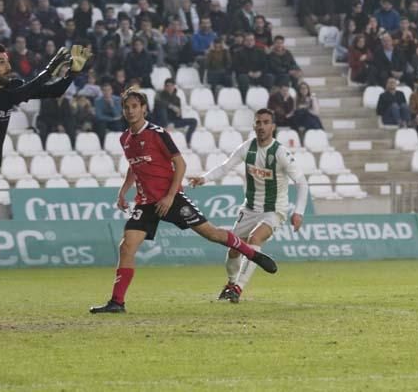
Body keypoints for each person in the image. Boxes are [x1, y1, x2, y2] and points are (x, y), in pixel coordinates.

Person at [90, 91, 278, 314]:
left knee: (212, 234)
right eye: (126, 107)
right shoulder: (125, 139)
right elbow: (134, 165)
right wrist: (123, 191)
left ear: (144, 109)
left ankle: (252, 253)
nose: (130, 111)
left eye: (134, 106)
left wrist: (170, 196)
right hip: (146, 203)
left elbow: (180, 164)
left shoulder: (157, 134)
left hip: (171, 198)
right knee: (126, 246)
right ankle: (117, 302)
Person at [189, 108, 309, 303]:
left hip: (273, 211)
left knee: (255, 238)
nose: (261, 126)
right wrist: (204, 178)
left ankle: (238, 287)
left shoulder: (280, 153)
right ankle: (230, 283)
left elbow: (302, 183)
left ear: (273, 126)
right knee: (234, 250)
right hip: (250, 209)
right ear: (254, 125)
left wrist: (299, 212)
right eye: (258, 122)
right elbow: (225, 167)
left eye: (266, 122)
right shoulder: (247, 148)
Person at [0, 44, 89, 202]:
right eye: (1, 62)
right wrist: (48, 71)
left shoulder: (12, 87)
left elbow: (54, 91)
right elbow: (7, 100)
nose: (8, 66)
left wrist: (73, 73)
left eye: (7, 61)